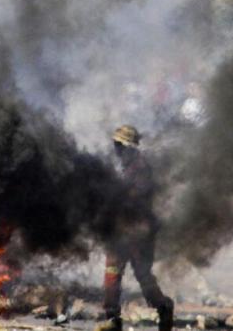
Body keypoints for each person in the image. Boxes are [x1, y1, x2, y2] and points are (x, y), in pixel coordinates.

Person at [96, 125, 173, 331]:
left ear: (129, 147)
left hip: (138, 231)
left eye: (119, 145)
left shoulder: (140, 168)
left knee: (143, 276)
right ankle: (112, 318)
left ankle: (164, 307)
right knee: (112, 273)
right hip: (120, 230)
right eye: (115, 145)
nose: (116, 149)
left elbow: (136, 198)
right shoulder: (122, 165)